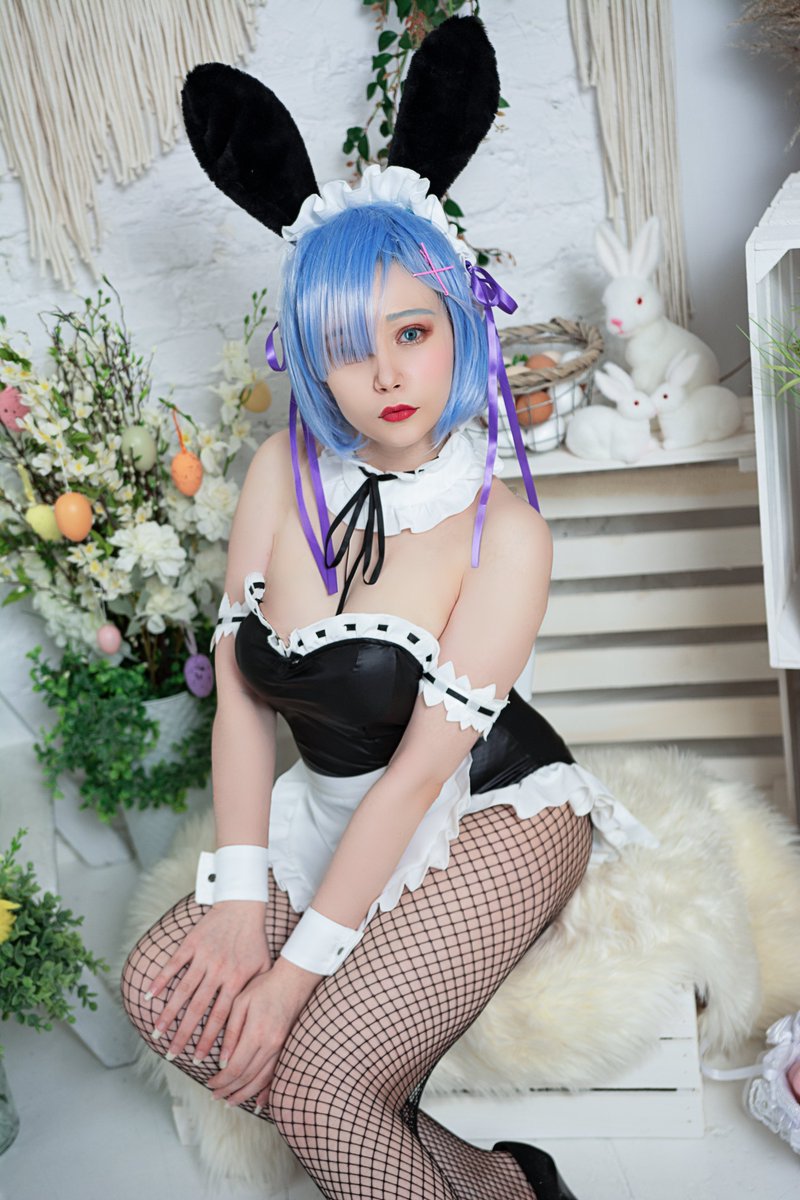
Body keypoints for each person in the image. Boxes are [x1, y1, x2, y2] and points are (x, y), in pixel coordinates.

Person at [121, 18, 655, 1199]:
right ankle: (501, 1182)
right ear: (311, 361)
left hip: (491, 808)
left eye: (412, 332)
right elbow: (242, 706)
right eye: (345, 348)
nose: (387, 377)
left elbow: (416, 780)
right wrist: (236, 897)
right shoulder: (278, 472)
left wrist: (293, 978)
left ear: (457, 322)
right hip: (329, 807)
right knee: (161, 992)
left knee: (320, 1085)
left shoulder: (505, 532)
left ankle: (446, 1156)